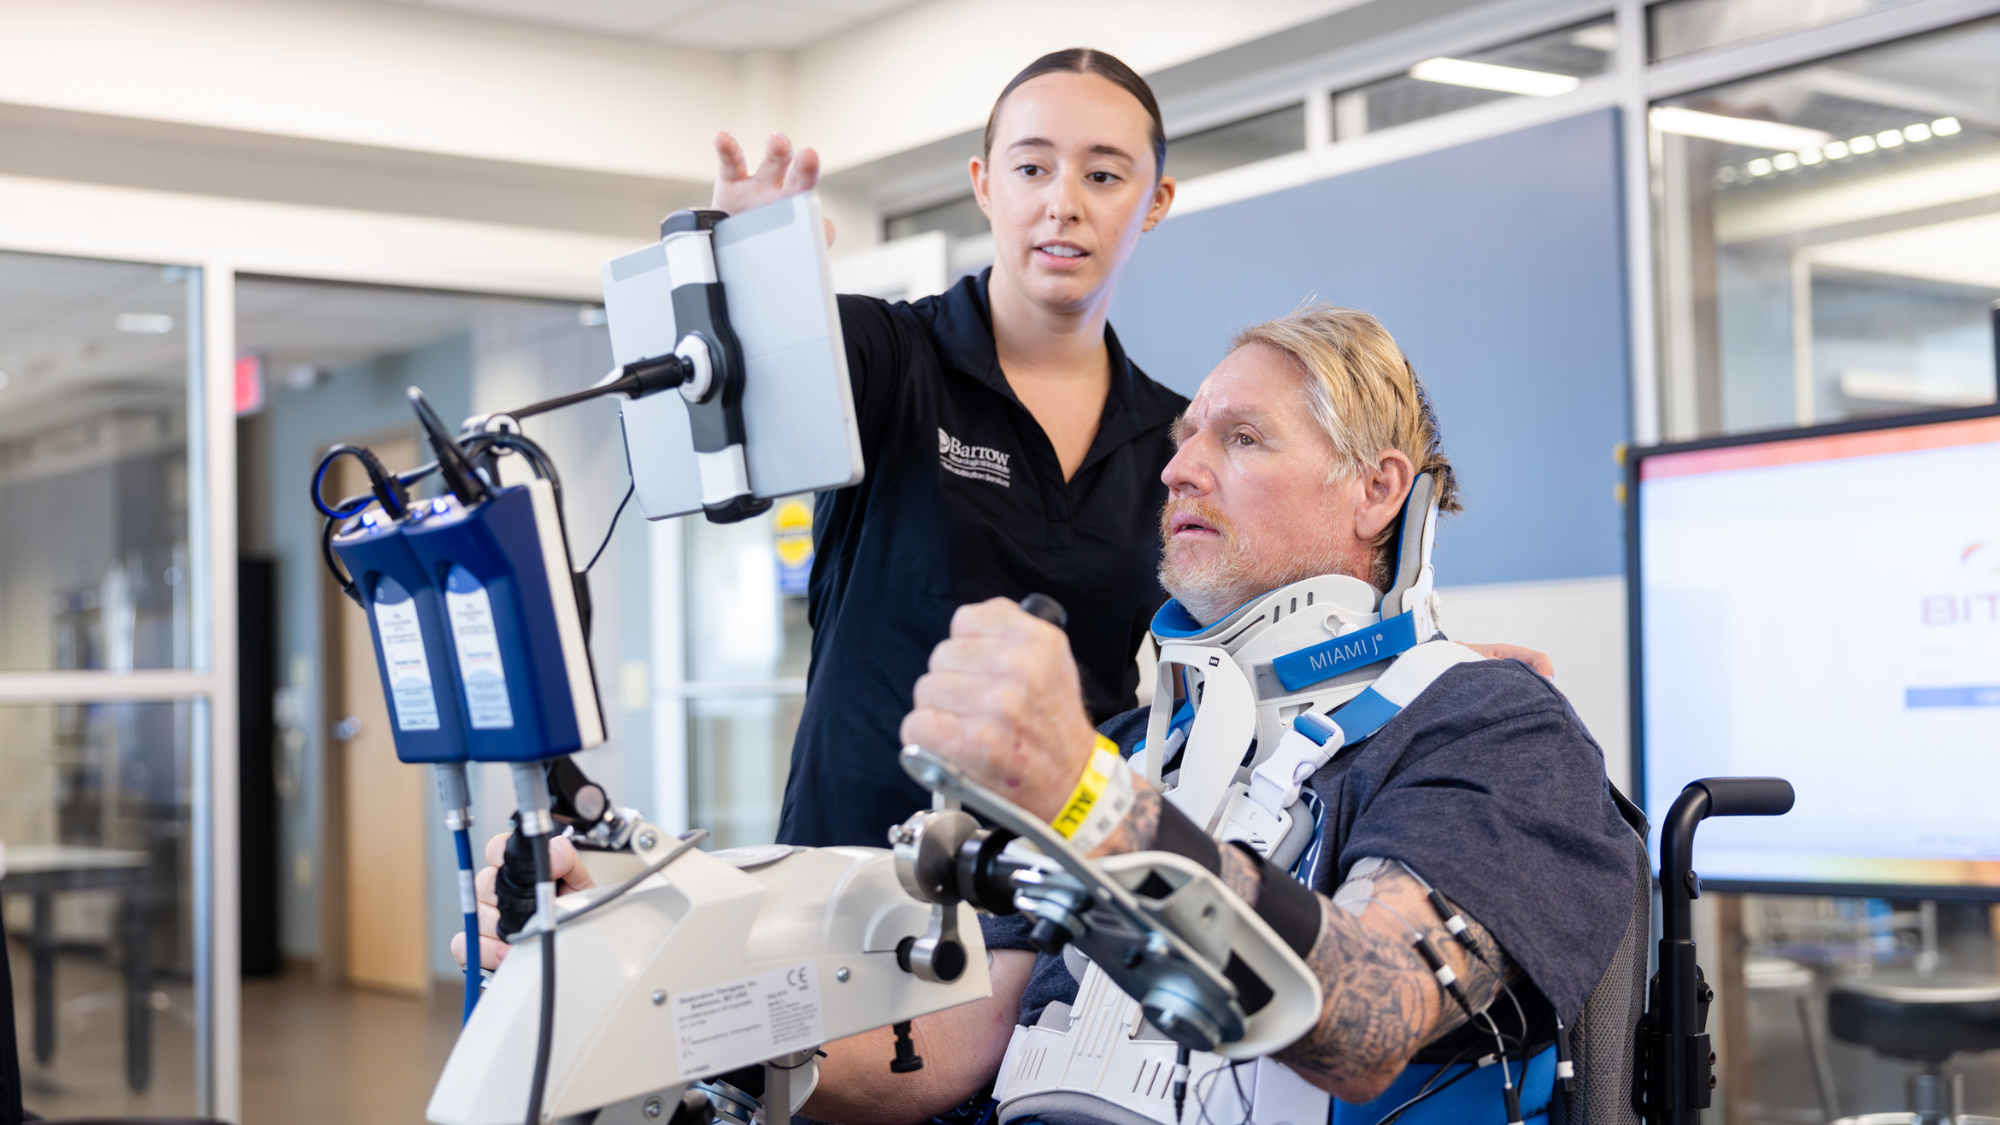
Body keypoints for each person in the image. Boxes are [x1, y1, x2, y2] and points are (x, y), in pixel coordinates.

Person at [456, 306, 1631, 1125]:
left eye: (1240, 438)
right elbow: (943, 1054)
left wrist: (1091, 804)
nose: (1177, 469)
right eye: (1181, 441)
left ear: (1377, 488)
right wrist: (652, 979)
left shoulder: (1487, 725)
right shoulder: (1140, 748)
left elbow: (1370, 1021)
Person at [703, 50, 1549, 848]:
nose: (1062, 202)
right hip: (866, 864)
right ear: (984, 185)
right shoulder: (885, 356)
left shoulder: (1178, 439)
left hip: (1073, 883)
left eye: (1104, 175)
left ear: (1154, 201)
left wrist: (1424, 665)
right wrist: (751, 290)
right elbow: (733, 463)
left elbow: (1275, 630)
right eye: (1031, 168)